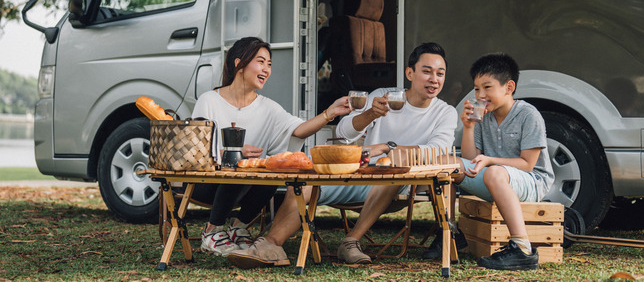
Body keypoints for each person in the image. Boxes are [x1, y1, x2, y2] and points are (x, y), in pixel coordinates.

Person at [227, 42, 458, 268]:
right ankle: (271, 245)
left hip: (399, 181)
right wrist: (368, 115)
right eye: (426, 72)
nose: (434, 79)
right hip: (358, 172)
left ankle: (351, 241)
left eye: (440, 73)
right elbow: (344, 132)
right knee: (304, 182)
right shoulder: (384, 96)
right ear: (410, 72)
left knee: (390, 174)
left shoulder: (444, 112)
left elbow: (438, 150)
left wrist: (388, 148)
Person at [191, 36, 350, 257]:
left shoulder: (268, 107)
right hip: (205, 183)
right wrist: (233, 152)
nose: (266, 69)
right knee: (237, 166)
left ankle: (239, 228)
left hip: (243, 186)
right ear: (239, 63)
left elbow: (298, 130)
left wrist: (329, 113)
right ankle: (212, 232)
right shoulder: (209, 100)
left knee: (270, 170)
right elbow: (195, 150)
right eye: (260, 61)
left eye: (269, 64)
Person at [453, 53, 554, 271]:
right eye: (477, 88)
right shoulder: (483, 116)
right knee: (450, 163)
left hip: (532, 181)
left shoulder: (529, 115)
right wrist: (469, 127)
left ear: (509, 87)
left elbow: (528, 164)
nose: (480, 94)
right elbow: (471, 162)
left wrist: (490, 161)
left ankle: (523, 249)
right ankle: (450, 234)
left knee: (493, 172)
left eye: (487, 87)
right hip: (495, 179)